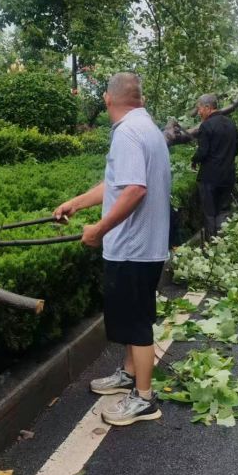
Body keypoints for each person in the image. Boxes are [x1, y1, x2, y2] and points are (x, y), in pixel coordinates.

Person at [54, 72, 171, 427]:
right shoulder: (147, 128)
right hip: (144, 247)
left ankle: (144, 399)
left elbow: (135, 190)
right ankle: (128, 374)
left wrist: (100, 230)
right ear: (140, 98)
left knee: (136, 323)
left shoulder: (127, 133)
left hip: (133, 249)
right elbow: (116, 183)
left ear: (108, 99)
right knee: (133, 317)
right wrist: (77, 203)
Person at [192, 93, 238, 240]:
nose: (198, 112)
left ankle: (211, 244)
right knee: (223, 211)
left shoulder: (206, 126)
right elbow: (236, 149)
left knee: (210, 212)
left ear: (208, 107)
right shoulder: (231, 124)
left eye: (199, 108)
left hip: (209, 178)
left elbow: (202, 152)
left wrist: (194, 160)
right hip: (228, 176)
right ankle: (222, 242)